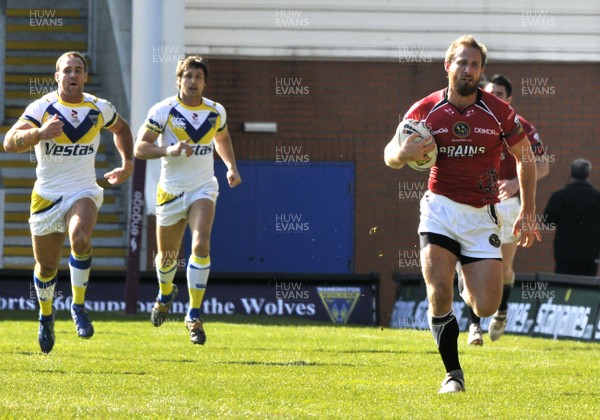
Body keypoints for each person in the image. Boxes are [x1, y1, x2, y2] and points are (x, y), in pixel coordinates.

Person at [384, 35, 540, 393]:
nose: (467, 69)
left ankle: (464, 278)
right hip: (439, 209)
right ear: (448, 65)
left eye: (474, 64)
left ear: (481, 71)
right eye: (462, 62)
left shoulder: (498, 112)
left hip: (481, 215)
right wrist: (402, 153)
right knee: (437, 292)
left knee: (485, 306)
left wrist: (528, 211)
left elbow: (526, 157)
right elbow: (390, 154)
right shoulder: (425, 109)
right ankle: (453, 374)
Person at [3, 51, 134, 354]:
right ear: (57, 76)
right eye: (67, 70)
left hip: (83, 190)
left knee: (81, 238)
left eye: (78, 70)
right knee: (47, 266)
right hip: (47, 196)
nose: (73, 75)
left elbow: (122, 129)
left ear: (86, 77)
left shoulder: (99, 107)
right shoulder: (43, 107)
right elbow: (10, 142)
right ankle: (46, 316)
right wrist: (40, 133)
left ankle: (78, 306)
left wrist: (127, 163)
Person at [134, 55, 241, 345]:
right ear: (179, 80)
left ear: (205, 82)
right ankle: (165, 294)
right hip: (170, 191)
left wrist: (230, 166)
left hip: (203, 188)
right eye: (188, 76)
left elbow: (223, 138)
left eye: (198, 77)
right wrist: (169, 151)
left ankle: (193, 315)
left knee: (200, 243)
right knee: (167, 258)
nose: (193, 82)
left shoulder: (216, 110)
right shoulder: (163, 110)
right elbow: (140, 148)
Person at [465, 74, 550, 345]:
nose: (494, 99)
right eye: (490, 94)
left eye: (500, 95)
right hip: (477, 204)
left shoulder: (520, 125)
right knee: (471, 265)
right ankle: (474, 326)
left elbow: (544, 165)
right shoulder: (471, 121)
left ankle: (501, 312)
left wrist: (515, 182)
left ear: (509, 99)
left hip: (507, 206)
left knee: (502, 268)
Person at [543, 159, 600, 276]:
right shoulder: (597, 197)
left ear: (571, 173)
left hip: (564, 253)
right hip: (590, 253)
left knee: (563, 285)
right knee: (586, 286)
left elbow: (547, 221)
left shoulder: (560, 196)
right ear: (588, 174)